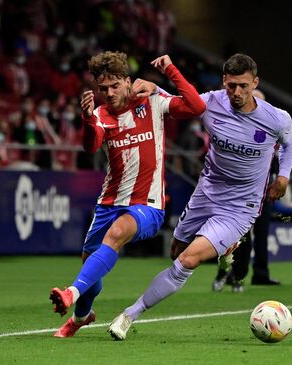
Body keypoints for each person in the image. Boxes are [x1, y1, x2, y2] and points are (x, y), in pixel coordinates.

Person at [107, 53, 292, 340]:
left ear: (255, 83)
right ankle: (225, 251)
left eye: (244, 86)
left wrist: (283, 176)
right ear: (224, 81)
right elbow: (180, 101)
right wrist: (155, 89)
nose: (237, 92)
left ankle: (129, 315)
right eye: (232, 85)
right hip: (206, 192)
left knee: (187, 260)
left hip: (240, 207)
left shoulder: (276, 118)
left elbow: (290, 142)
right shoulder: (212, 102)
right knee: (175, 251)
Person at [48, 51, 205, 338]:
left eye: (114, 86)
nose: (108, 93)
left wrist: (167, 74)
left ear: (127, 81)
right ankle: (82, 315)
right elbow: (91, 146)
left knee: (117, 233)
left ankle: (70, 292)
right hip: (108, 202)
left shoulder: (151, 101)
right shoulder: (99, 115)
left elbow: (195, 106)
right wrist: (86, 118)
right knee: (90, 264)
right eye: (102, 89)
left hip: (148, 205)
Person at [212, 89, 281, 292]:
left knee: (259, 234)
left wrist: (277, 181)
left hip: (263, 193)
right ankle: (224, 273)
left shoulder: (270, 131)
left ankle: (247, 276)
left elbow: (277, 158)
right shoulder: (234, 131)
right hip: (235, 193)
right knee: (237, 236)